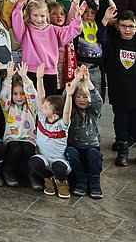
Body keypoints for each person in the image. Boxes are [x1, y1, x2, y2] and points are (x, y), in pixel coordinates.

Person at [30, 63, 76, 198]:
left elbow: (67, 112)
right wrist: (39, 79)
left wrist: (69, 96)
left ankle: (62, 182)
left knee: (58, 168)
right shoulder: (42, 119)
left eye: (45, 108)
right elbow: (41, 97)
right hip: (44, 158)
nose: (41, 108)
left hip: (58, 160)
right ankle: (48, 179)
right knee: (33, 162)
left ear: (55, 115)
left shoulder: (62, 124)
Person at [100, 8, 136, 166]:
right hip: (119, 91)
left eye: (131, 26)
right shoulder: (112, 42)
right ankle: (122, 149)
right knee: (120, 120)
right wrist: (107, 20)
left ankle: (130, 142)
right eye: (123, 26)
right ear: (117, 26)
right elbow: (101, 36)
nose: (127, 30)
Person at [66, 66, 103, 198]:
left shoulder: (93, 112)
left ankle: (94, 182)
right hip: (74, 146)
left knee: (94, 155)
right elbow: (66, 96)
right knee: (70, 153)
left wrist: (87, 81)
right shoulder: (71, 111)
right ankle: (81, 180)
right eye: (79, 97)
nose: (82, 99)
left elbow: (98, 101)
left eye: (85, 97)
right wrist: (76, 80)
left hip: (91, 146)